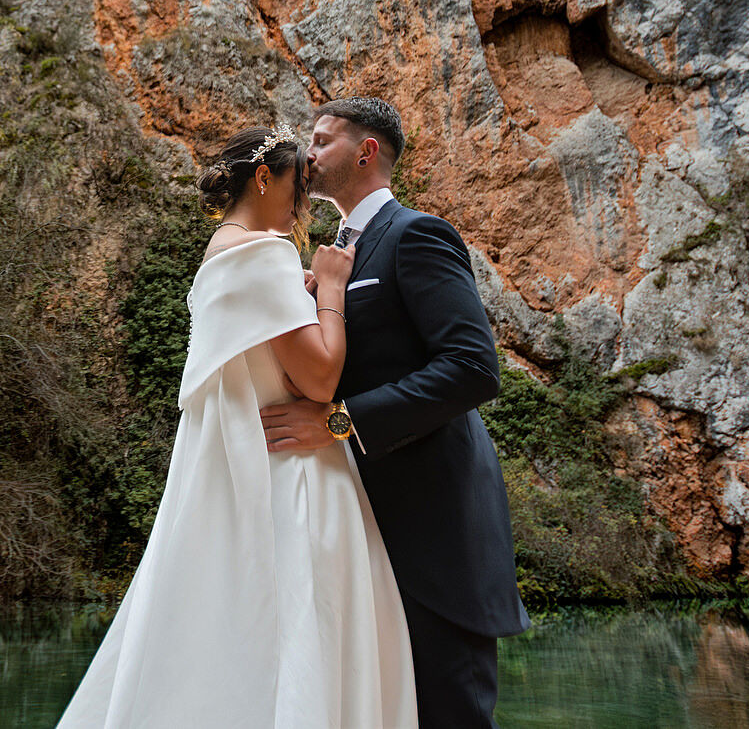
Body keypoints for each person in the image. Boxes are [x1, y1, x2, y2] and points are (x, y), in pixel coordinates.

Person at [57, 123, 417, 729]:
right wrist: (329, 286)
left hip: (243, 474)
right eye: (297, 187)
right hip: (297, 478)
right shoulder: (263, 253)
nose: (303, 204)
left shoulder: (218, 258)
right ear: (261, 178)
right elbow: (322, 379)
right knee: (310, 647)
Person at [261, 97, 531, 729]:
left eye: (323, 141)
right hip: (360, 533)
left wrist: (338, 422)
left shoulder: (417, 234)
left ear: (367, 151)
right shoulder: (341, 253)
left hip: (432, 534)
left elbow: (472, 368)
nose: (309, 153)